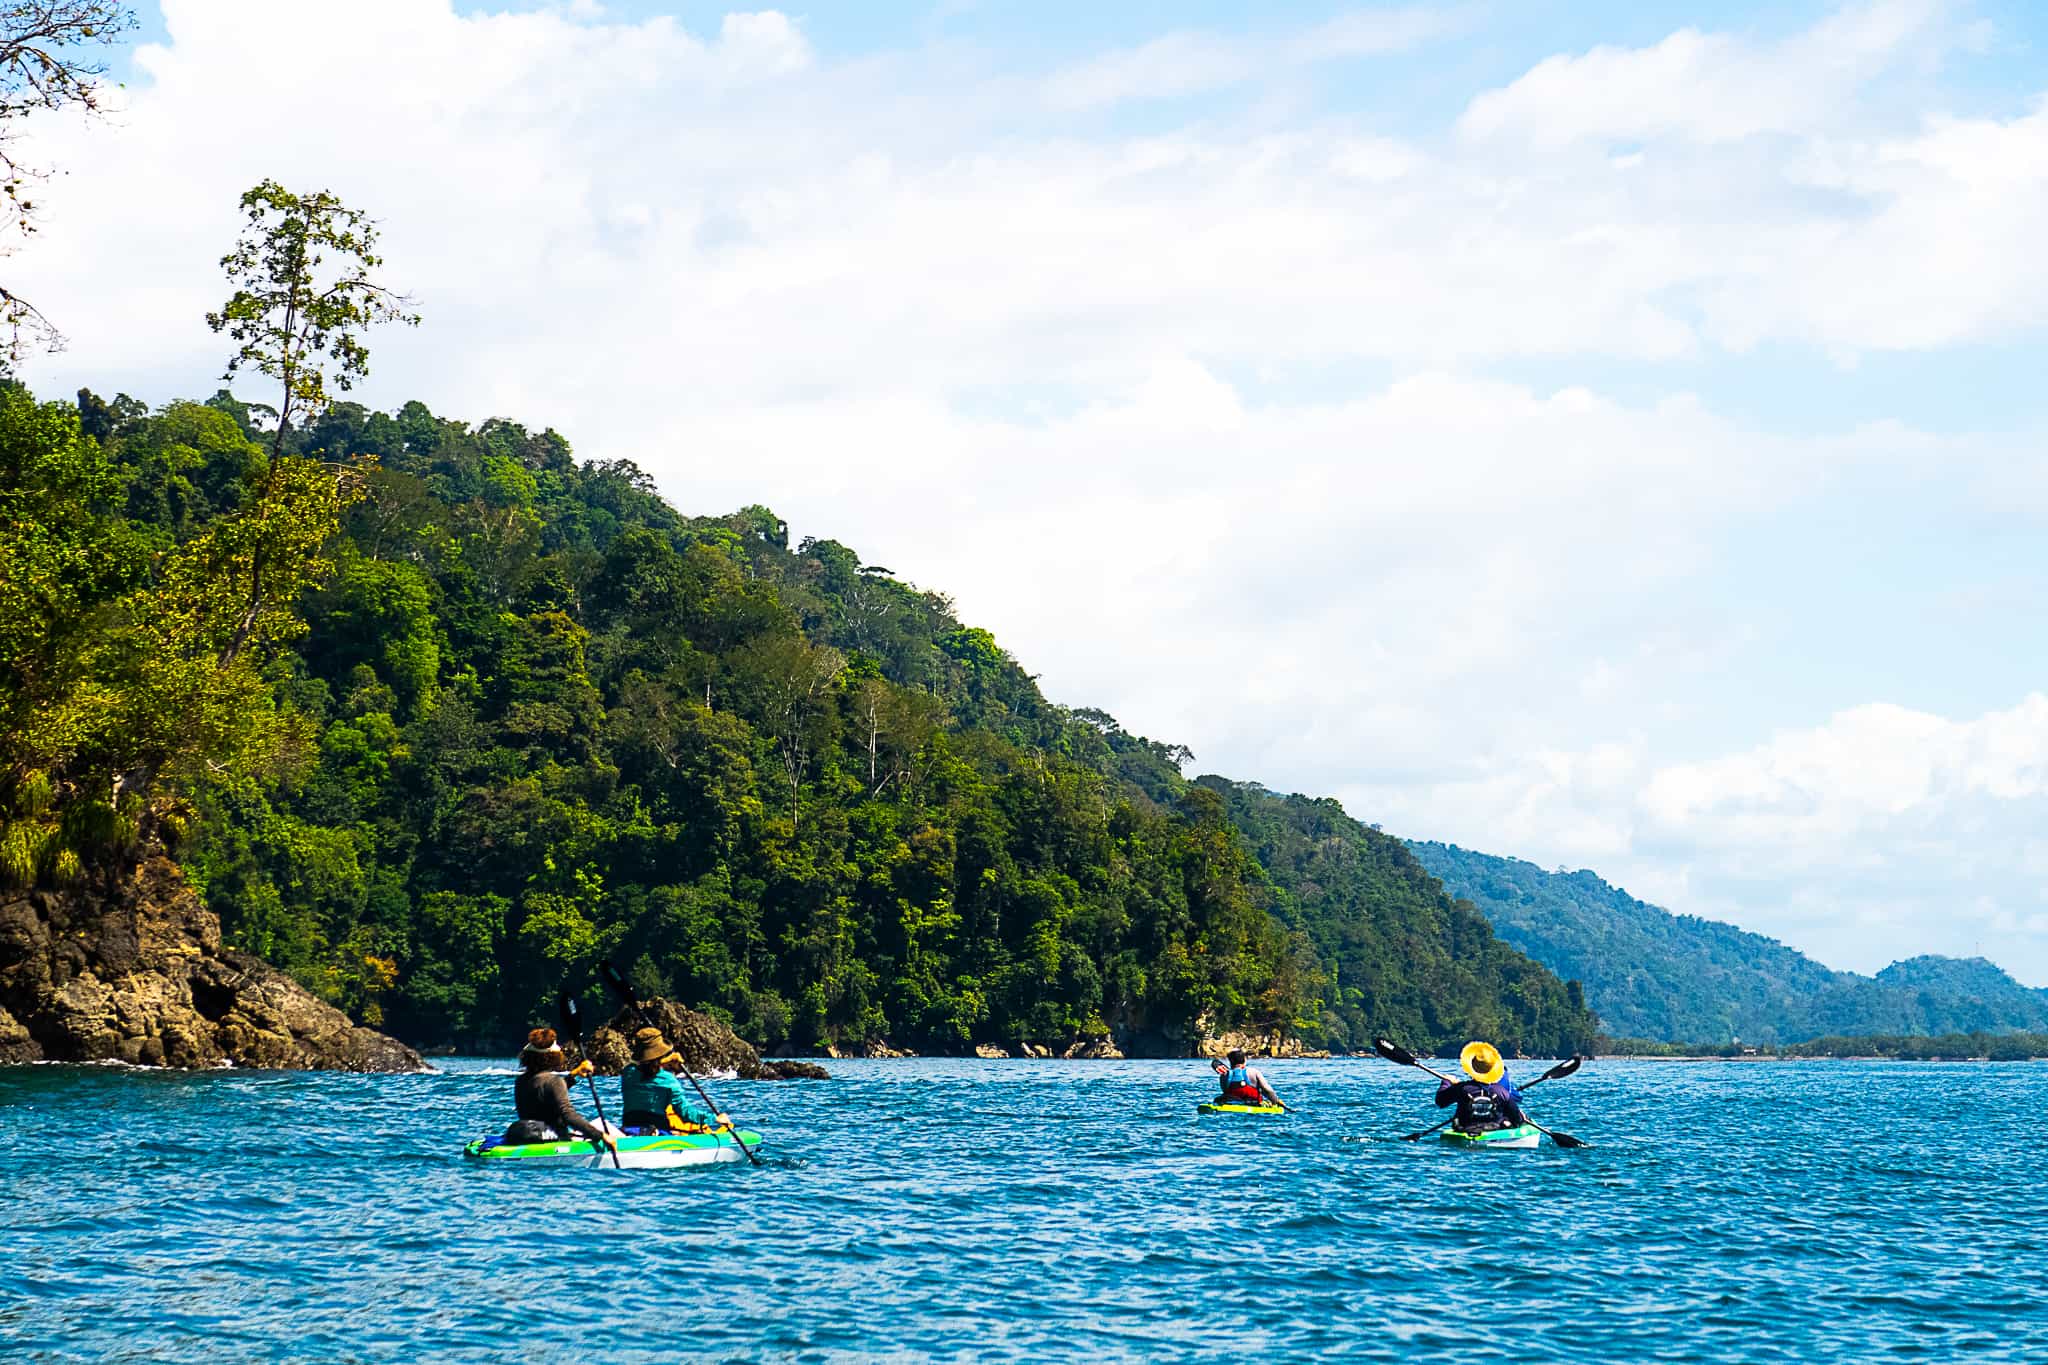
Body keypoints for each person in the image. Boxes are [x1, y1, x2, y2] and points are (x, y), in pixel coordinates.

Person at [509, 1027, 617, 1150]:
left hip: (533, 1135)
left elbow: (546, 1093)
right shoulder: (554, 1081)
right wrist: (600, 1135)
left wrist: (573, 1075)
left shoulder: (521, 1081)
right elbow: (568, 1115)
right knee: (606, 1127)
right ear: (551, 1057)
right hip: (557, 1138)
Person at [619, 1027, 725, 1133]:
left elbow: (645, 1069)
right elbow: (684, 1112)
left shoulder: (627, 1073)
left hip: (628, 1128)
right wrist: (714, 1118)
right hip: (657, 1131)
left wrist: (666, 1061)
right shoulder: (668, 1080)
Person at [1434, 1040, 1528, 1133]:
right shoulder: (1502, 1092)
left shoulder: (1461, 1088)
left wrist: (1447, 1082)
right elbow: (1516, 1119)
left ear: (1472, 1067)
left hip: (1465, 1128)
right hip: (1494, 1128)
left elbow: (1440, 1101)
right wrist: (1519, 1118)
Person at [1210, 1047, 1284, 1108]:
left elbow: (1225, 1091)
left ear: (1230, 1060)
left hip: (1230, 1102)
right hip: (1252, 1103)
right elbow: (1267, 1090)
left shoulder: (1224, 1075)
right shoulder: (1254, 1072)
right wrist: (1275, 1101)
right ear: (1245, 1059)